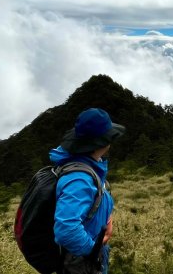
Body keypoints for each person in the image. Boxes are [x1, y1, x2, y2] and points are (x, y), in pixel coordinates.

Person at [49, 108, 125, 274]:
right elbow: (66, 230)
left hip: (87, 253)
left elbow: (92, 202)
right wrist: (93, 251)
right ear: (103, 143)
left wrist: (107, 219)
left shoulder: (89, 165)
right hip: (81, 262)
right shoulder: (79, 179)